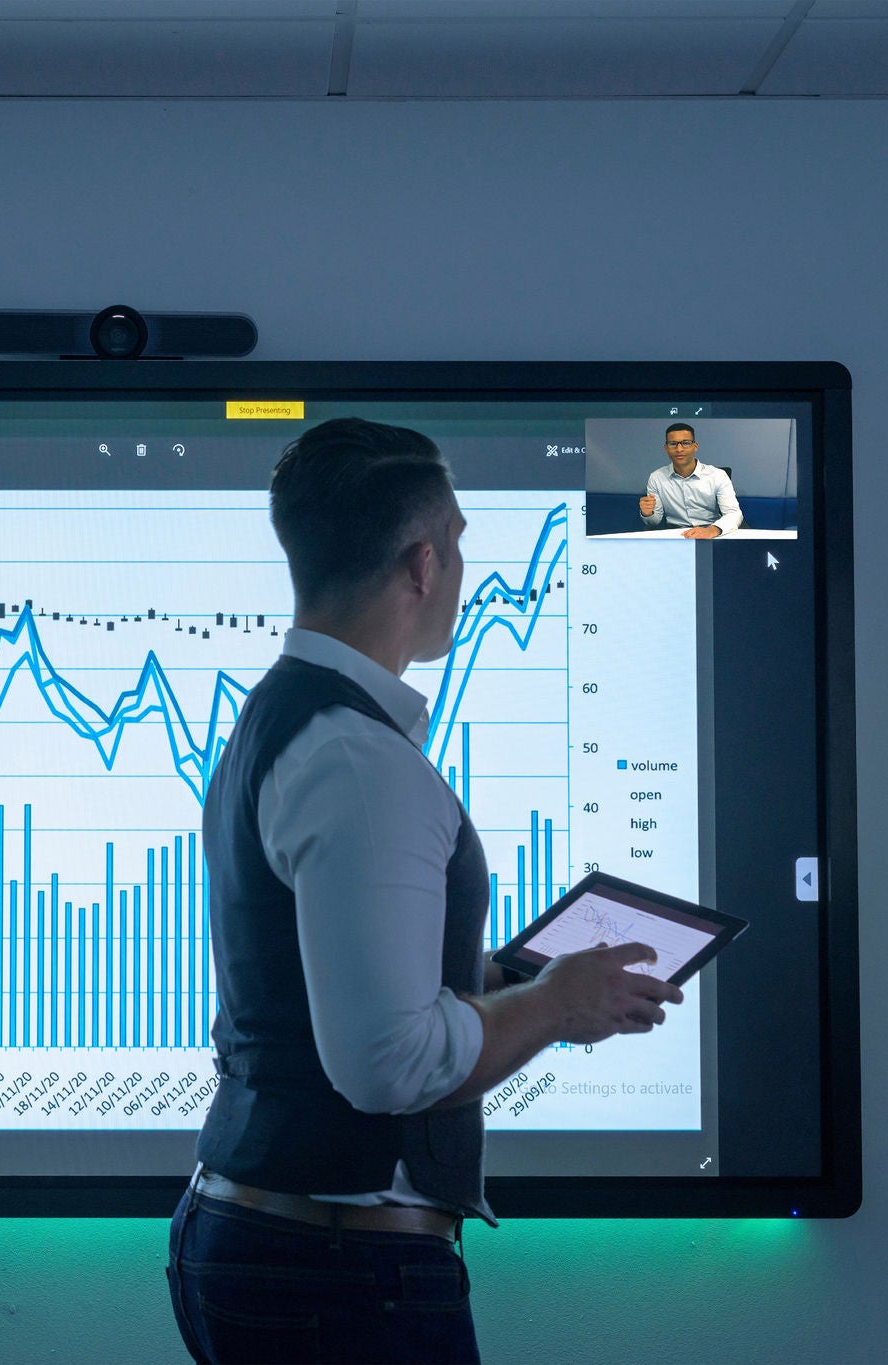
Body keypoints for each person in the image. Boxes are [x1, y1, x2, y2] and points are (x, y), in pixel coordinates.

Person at [165, 418, 684, 1364]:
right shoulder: (361, 762)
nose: (461, 567)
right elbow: (386, 1063)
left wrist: (512, 985)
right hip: (341, 1279)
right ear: (421, 563)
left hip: (278, 1250)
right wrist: (552, 1000)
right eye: (458, 543)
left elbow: (346, 985)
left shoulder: (285, 721)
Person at [638, 422, 739, 539]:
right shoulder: (656, 477)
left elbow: (733, 513)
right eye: (673, 444)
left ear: (695, 446)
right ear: (666, 448)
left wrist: (712, 530)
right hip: (676, 535)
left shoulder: (717, 475)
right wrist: (648, 513)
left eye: (685, 443)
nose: (679, 449)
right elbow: (654, 522)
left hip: (711, 533)